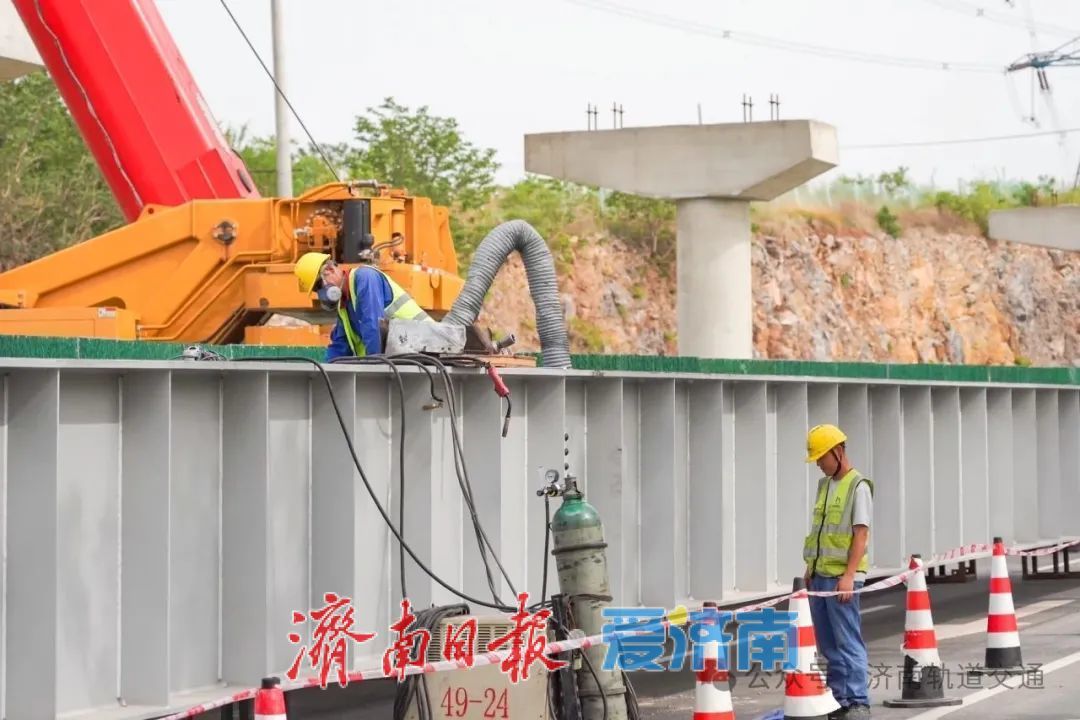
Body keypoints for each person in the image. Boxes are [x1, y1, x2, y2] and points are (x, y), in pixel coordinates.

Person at [802, 423, 873, 720]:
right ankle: (838, 699)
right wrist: (810, 567)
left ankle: (858, 701)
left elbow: (860, 535)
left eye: (821, 457)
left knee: (847, 641)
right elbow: (821, 531)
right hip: (820, 576)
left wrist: (849, 575)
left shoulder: (859, 486)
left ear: (838, 452)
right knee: (828, 644)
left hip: (842, 579)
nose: (819, 464)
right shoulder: (824, 485)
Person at [294, 251, 433, 361]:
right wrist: (325, 370)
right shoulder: (344, 305)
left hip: (426, 350)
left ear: (330, 269)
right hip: (403, 359)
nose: (320, 293)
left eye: (318, 286)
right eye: (316, 290)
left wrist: (373, 367)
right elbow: (340, 345)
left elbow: (373, 324)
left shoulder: (365, 277)